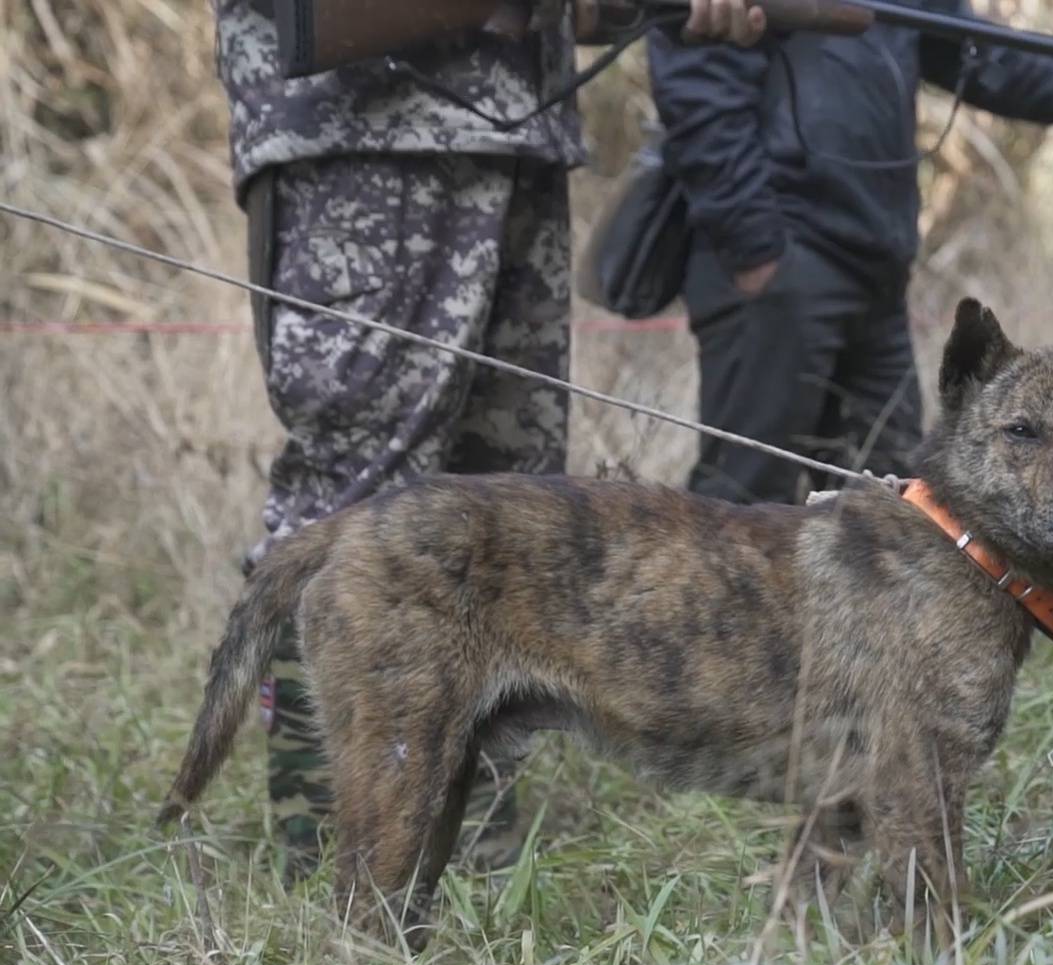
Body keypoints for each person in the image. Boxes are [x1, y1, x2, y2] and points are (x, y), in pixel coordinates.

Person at [212, 0, 765, 878]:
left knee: (509, 536)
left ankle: (462, 866)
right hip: (366, 135)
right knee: (352, 509)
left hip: (515, 134)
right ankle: (331, 865)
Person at [648, 2, 1053, 505]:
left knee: (890, 513)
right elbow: (697, 87)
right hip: (780, 263)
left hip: (875, 271)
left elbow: (971, 50)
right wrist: (755, 249)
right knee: (743, 503)